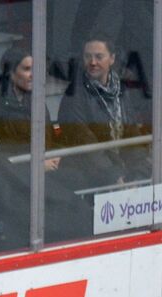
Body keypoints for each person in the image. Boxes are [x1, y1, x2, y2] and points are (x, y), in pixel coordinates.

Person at [54, 35, 129, 192]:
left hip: (120, 168)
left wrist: (138, 172)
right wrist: (114, 176)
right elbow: (86, 145)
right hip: (91, 175)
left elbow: (133, 132)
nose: (92, 62)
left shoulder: (120, 90)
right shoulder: (74, 96)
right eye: (88, 56)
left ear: (112, 58)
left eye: (99, 57)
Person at [0, 43, 59, 165]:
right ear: (11, 73)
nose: (34, 74)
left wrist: (54, 155)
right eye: (27, 69)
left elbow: (48, 139)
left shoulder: (36, 102)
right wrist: (36, 166)